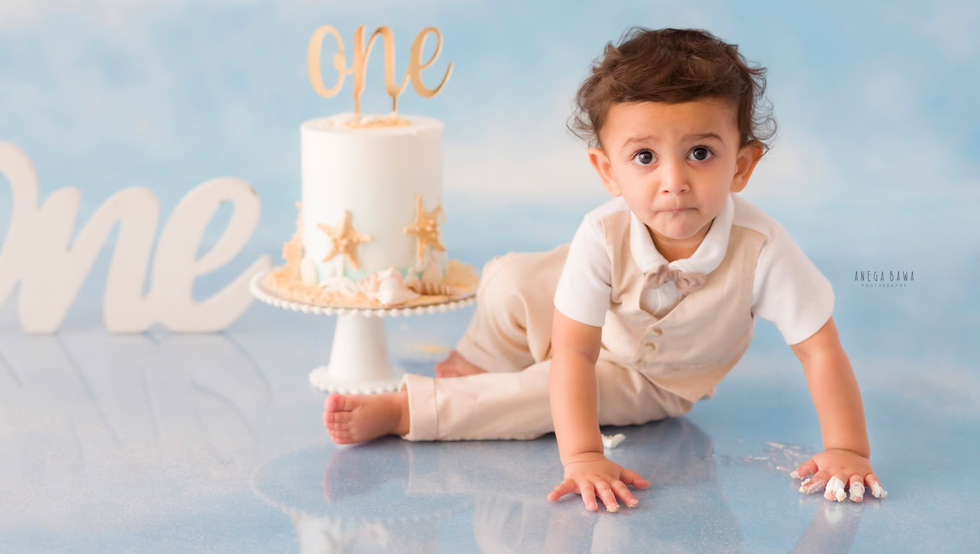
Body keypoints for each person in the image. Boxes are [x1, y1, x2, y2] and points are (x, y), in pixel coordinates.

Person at [322, 26, 885, 512]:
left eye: (700, 153)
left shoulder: (763, 248)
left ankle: (407, 410)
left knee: (539, 391)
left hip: (651, 378)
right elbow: (574, 348)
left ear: (741, 165)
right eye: (645, 157)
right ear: (608, 170)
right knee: (512, 279)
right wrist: (585, 453)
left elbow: (820, 350)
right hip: (590, 333)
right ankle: (482, 359)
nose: (673, 182)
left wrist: (849, 449)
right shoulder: (602, 230)